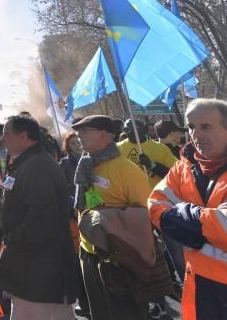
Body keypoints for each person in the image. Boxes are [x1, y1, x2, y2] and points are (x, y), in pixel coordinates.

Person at [149, 98, 227, 320]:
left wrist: (185, 215)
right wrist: (209, 224)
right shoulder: (183, 168)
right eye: (191, 127)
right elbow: (155, 205)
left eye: (205, 126)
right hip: (200, 288)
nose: (195, 134)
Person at [0, 115, 78, 319]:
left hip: (39, 271)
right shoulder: (29, 162)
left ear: (23, 136)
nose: (3, 138)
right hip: (34, 269)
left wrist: (12, 241)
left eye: (7, 133)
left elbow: (41, 219)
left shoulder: (37, 166)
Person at [72, 114, 150, 320]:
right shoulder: (86, 165)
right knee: (100, 313)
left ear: (104, 135)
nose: (78, 136)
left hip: (119, 256)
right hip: (89, 251)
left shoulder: (127, 170)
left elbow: (144, 216)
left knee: (126, 314)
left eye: (84, 131)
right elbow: (84, 203)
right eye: (78, 131)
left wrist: (107, 218)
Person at [118, 119, 176, 187]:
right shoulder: (118, 148)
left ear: (145, 130)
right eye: (126, 129)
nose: (130, 131)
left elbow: (176, 175)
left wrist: (152, 165)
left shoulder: (160, 148)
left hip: (154, 194)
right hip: (128, 195)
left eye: (136, 128)